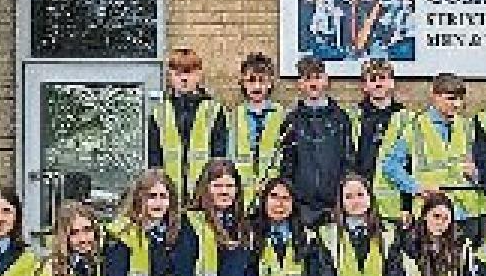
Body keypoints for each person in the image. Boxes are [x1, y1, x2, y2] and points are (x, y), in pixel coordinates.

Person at [382, 72, 486, 246]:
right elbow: (390, 166)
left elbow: (483, 168)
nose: (457, 104)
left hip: (465, 214)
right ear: (434, 96)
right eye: (450, 99)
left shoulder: (468, 126)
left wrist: (476, 174)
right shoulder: (416, 128)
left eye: (460, 99)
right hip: (431, 214)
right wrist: (416, 188)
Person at [279, 55, 356, 227]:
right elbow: (287, 165)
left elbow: (348, 160)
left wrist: (344, 197)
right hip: (301, 206)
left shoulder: (341, 118)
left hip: (334, 205)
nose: (313, 84)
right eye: (307, 79)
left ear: (326, 81)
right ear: (300, 84)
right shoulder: (292, 120)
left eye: (318, 77)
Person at [148, 47, 224, 204]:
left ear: (199, 75)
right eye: (178, 74)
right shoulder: (160, 111)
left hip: (203, 195)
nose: (183, 79)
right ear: (170, 76)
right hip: (169, 196)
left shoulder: (213, 110)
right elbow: (154, 158)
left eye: (188, 73)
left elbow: (219, 156)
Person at [349, 57, 413, 226]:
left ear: (392, 83)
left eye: (383, 78)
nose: (378, 84)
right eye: (372, 79)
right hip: (359, 205)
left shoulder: (408, 118)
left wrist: (408, 206)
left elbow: (411, 166)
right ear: (364, 86)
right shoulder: (353, 116)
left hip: (395, 208)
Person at [221, 52, 285, 211]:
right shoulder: (235, 115)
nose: (257, 86)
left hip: (272, 194)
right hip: (240, 194)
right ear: (243, 83)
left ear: (270, 84)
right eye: (251, 81)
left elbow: (285, 153)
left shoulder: (281, 114)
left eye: (262, 81)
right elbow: (229, 155)